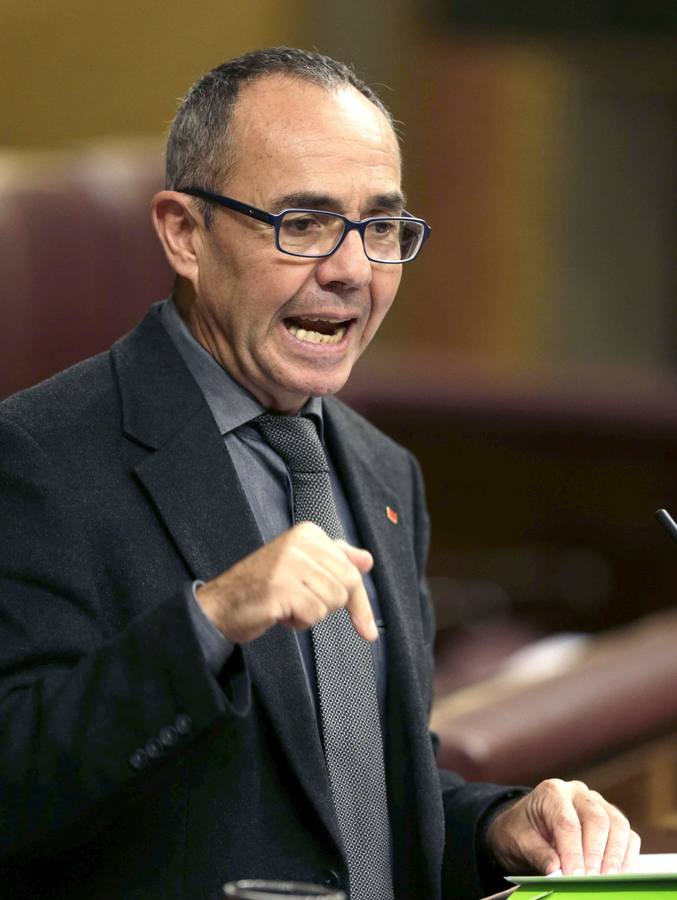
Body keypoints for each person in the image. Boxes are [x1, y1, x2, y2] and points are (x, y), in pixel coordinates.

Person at [0, 48, 639, 900]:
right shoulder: (37, 456)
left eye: (381, 227)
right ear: (183, 233)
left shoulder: (382, 469)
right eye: (301, 222)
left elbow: (357, 801)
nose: (349, 270)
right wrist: (212, 619)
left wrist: (494, 826)